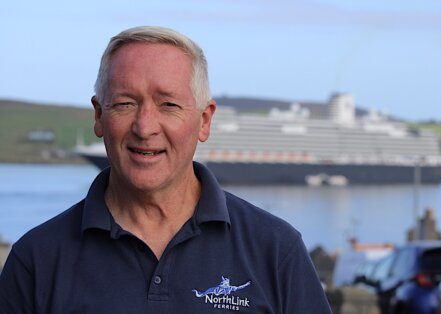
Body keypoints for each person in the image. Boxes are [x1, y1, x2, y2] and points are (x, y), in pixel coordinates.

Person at [0, 26, 331, 313]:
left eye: (169, 105)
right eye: (125, 103)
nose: (144, 128)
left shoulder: (275, 249)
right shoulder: (37, 259)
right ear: (99, 116)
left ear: (204, 120)